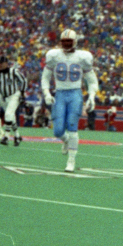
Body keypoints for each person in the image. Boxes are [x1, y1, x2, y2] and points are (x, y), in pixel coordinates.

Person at [41, 29, 98, 172]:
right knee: (57, 131)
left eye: (69, 41)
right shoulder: (54, 56)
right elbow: (45, 77)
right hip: (60, 93)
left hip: (75, 94)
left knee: (73, 126)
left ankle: (71, 160)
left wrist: (91, 96)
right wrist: (46, 93)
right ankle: (66, 141)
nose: (66, 44)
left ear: (75, 42)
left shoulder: (82, 57)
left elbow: (91, 80)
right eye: (64, 41)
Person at [0, 55, 27, 146]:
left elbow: (24, 80)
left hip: (13, 95)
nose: (0, 65)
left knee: (8, 114)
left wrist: (22, 93)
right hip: (2, 96)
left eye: (2, 63)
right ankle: (17, 136)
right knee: (10, 117)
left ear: (6, 63)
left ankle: (6, 137)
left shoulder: (13, 71)